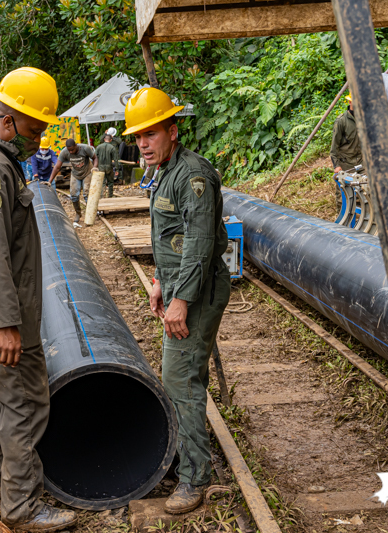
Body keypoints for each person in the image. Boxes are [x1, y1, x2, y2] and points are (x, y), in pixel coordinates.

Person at [0, 66, 76, 532]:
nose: (39, 139)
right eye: (33, 129)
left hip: (5, 305)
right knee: (23, 401)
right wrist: (5, 323)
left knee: (14, 393)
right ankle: (21, 507)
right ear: (8, 119)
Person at [123, 87, 231, 515]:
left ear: (173, 130)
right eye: (137, 137)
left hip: (198, 290)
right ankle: (187, 459)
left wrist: (181, 301)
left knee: (181, 380)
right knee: (180, 375)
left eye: (150, 134)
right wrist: (156, 281)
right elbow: (170, 238)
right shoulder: (165, 172)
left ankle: (194, 479)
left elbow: (200, 245)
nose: (143, 144)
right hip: (179, 285)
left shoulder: (192, 176)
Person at [49, 138, 98, 224]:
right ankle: (78, 213)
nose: (71, 152)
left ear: (76, 145)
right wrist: (50, 181)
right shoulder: (64, 152)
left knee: (86, 193)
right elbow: (57, 167)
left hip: (87, 173)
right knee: (74, 194)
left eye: (72, 150)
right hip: (75, 174)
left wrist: (95, 166)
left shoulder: (85, 148)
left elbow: (95, 158)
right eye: (69, 150)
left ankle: (90, 214)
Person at [330, 94, 362, 211]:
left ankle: (361, 218)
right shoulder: (341, 121)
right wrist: (337, 166)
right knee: (343, 192)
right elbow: (334, 148)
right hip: (346, 163)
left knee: (363, 189)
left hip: (361, 161)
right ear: (350, 103)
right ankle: (342, 218)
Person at [94, 133, 118, 198]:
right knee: (110, 183)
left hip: (100, 167)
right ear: (110, 140)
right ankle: (110, 196)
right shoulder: (112, 148)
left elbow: (95, 157)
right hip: (109, 167)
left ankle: (102, 196)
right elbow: (115, 159)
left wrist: (95, 167)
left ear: (104, 139)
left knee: (102, 183)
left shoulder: (99, 147)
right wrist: (117, 169)